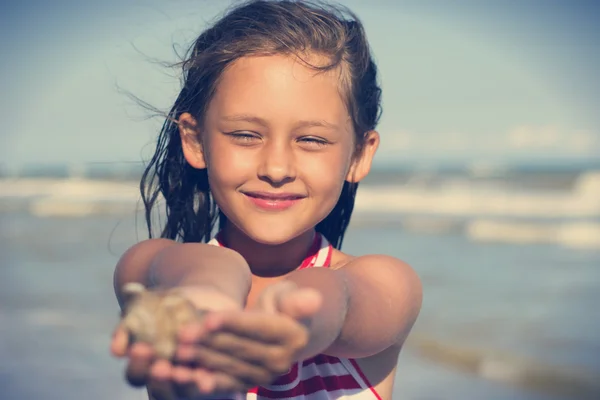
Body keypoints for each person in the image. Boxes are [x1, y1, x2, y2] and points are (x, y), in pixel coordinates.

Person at [110, 1, 423, 399]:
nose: (277, 168)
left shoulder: (385, 283)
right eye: (245, 134)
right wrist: (205, 301)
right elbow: (190, 268)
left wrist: (295, 322)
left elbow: (339, 301)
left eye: (311, 139)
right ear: (195, 139)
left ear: (359, 153)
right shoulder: (163, 278)